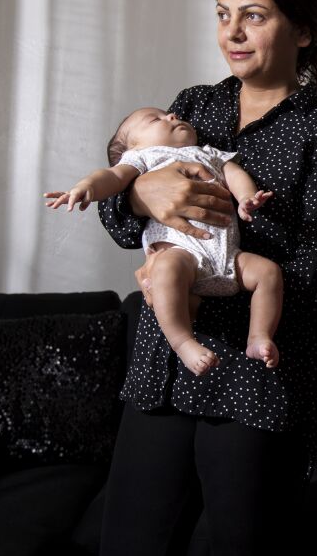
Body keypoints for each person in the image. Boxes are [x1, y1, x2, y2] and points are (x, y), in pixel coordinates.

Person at [94, 0, 317, 556]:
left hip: (256, 377)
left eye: (254, 15)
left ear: (303, 30)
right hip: (163, 368)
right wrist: (142, 198)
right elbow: (123, 207)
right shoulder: (191, 108)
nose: (233, 33)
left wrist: (214, 275)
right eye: (223, 15)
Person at [45, 106, 280, 373]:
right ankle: (182, 343)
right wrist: (85, 188)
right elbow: (111, 177)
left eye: (172, 115)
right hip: (182, 253)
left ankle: (258, 335)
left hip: (228, 256)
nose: (172, 116)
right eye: (155, 119)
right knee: (166, 271)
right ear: (132, 147)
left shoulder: (209, 153)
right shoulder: (144, 157)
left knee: (268, 273)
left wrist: (246, 198)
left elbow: (235, 175)